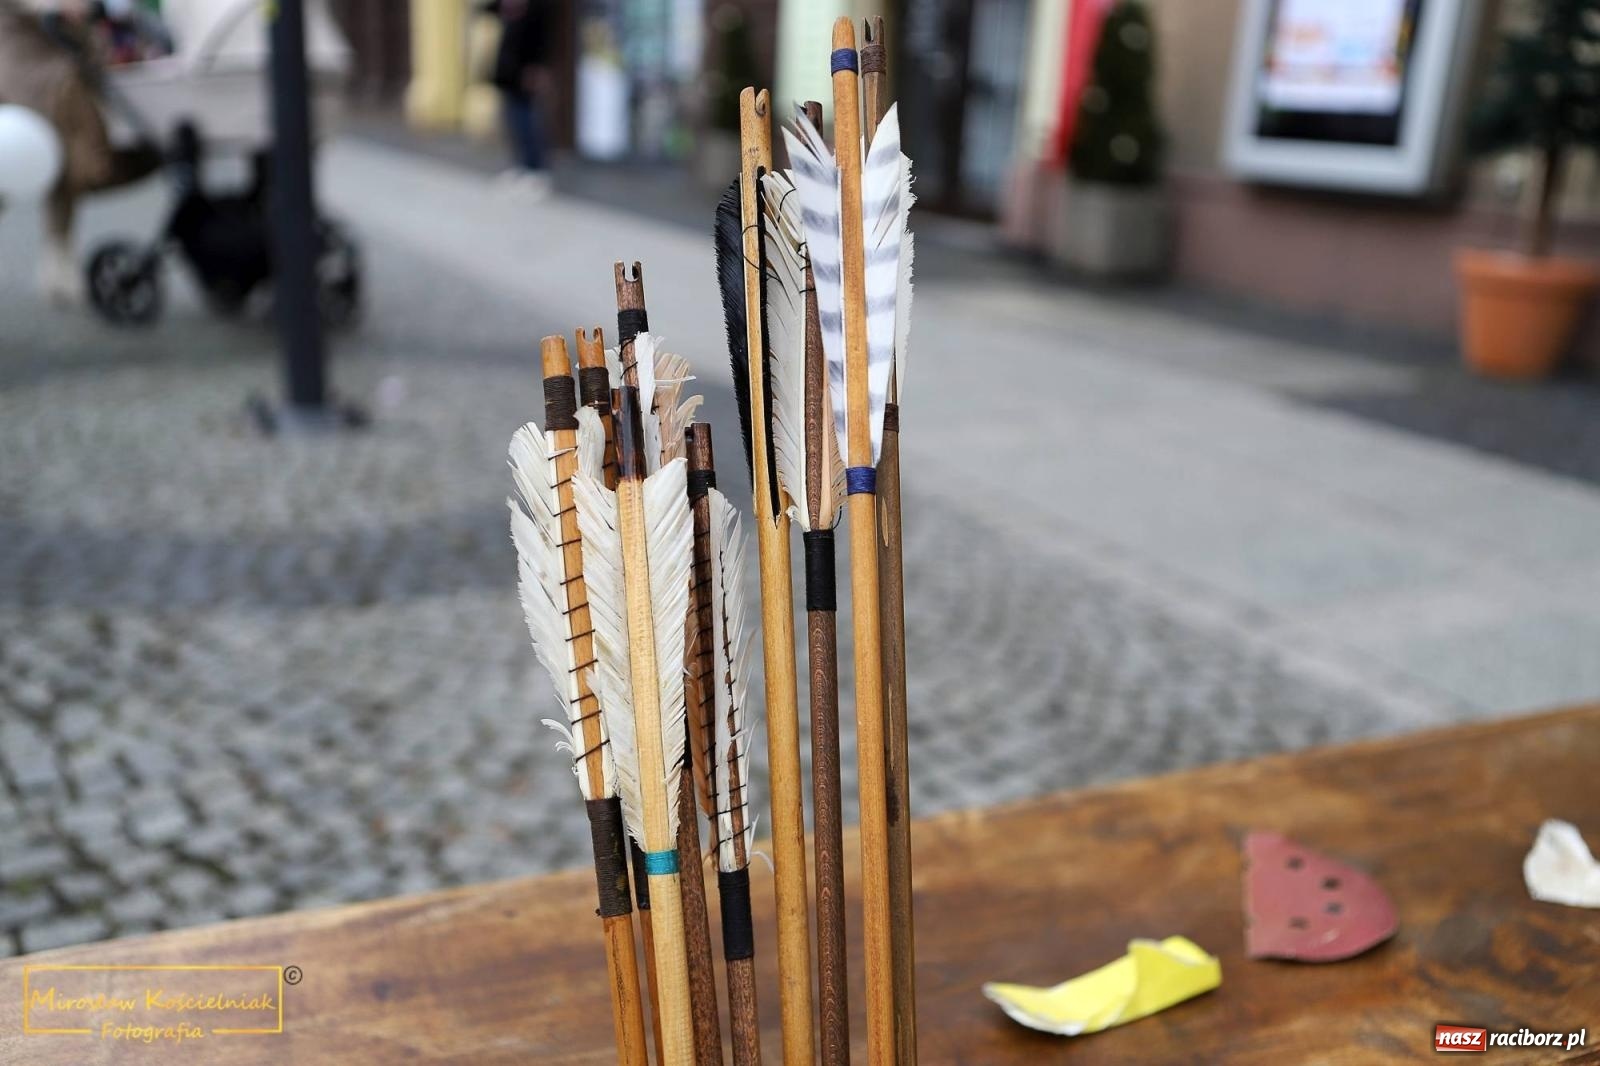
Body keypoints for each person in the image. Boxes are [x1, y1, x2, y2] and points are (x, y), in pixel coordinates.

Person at [484, 0, 551, 198]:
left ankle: (536, 171)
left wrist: (536, 68)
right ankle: (521, 166)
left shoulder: (537, 9)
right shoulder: (510, 8)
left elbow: (542, 38)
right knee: (514, 122)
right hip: (509, 75)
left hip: (525, 75)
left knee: (528, 122)